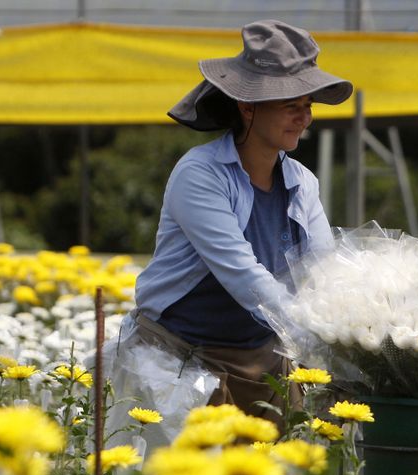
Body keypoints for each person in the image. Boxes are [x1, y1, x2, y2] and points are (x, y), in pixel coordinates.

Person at [130, 20, 353, 422]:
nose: (304, 118)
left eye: (307, 106)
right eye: (290, 106)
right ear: (247, 106)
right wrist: (314, 334)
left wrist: (352, 330)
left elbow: (324, 271)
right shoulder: (200, 174)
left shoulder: (301, 182)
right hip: (181, 357)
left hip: (262, 357)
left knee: (279, 472)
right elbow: (243, 276)